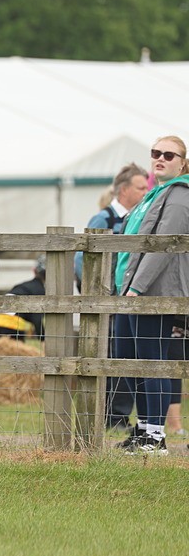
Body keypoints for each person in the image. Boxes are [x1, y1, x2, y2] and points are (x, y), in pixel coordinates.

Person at [113, 135, 189, 455]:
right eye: (156, 153)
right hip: (132, 290)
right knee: (132, 360)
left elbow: (163, 247)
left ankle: (155, 436)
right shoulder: (157, 193)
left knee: (152, 362)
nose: (160, 159)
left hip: (154, 292)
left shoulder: (180, 195)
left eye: (169, 155)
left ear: (183, 163)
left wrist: (136, 288)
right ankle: (145, 430)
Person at [78, 163, 149, 428]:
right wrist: (99, 289)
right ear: (124, 190)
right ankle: (109, 415)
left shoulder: (138, 217)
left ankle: (119, 414)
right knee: (107, 354)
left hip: (123, 297)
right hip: (106, 298)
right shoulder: (104, 219)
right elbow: (80, 258)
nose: (145, 192)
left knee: (123, 355)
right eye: (141, 187)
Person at [0, 256, 46, 341]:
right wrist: (43, 339)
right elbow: (37, 319)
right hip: (12, 325)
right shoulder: (39, 290)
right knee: (17, 352)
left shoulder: (22, 286)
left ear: (34, 271)